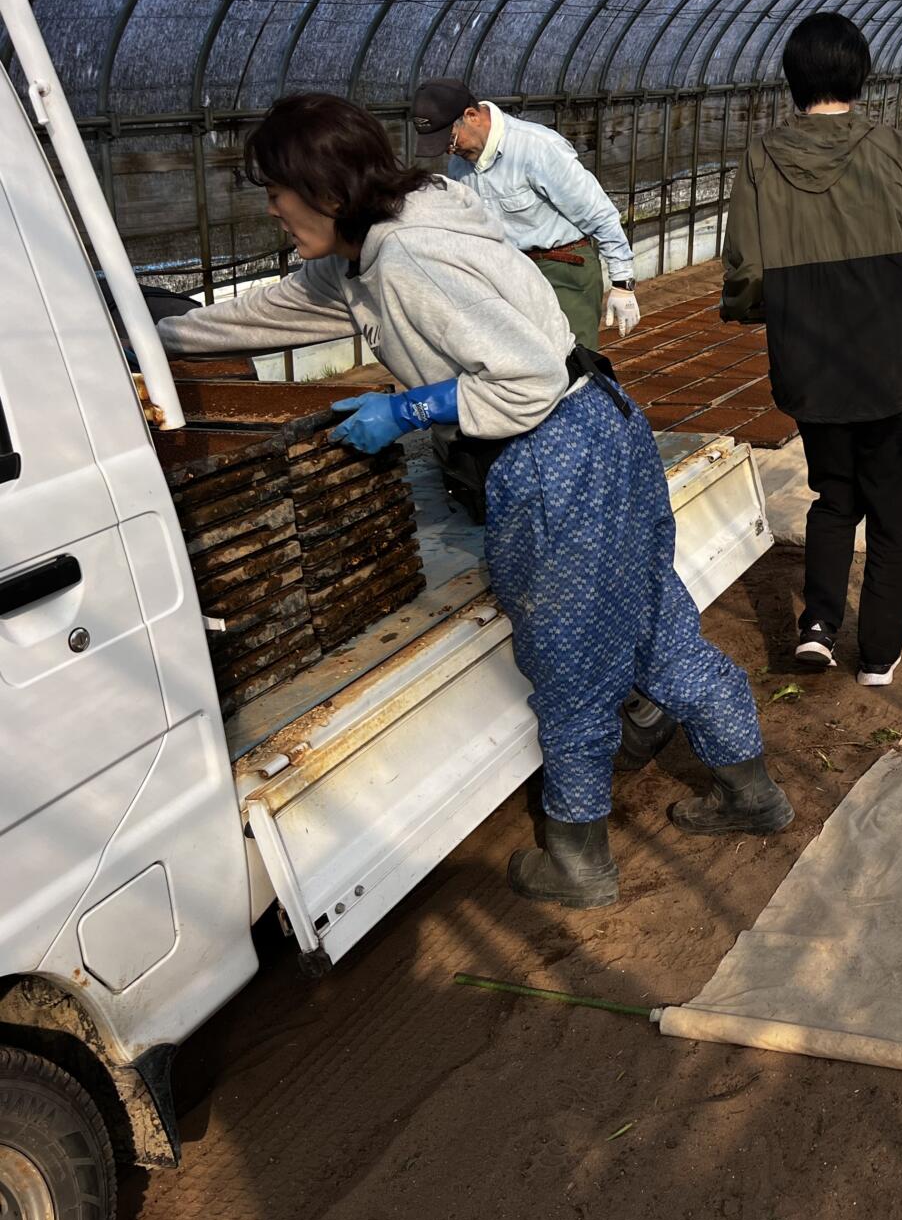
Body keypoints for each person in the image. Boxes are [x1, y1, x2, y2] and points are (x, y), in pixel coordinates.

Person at [156, 93, 792, 910]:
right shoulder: (395, 230)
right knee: (653, 621)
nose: (273, 210)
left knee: (568, 658)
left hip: (555, 454)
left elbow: (524, 377)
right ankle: (752, 791)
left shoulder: (407, 259)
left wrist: (408, 409)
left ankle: (578, 858)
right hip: (603, 430)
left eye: (277, 192)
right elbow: (271, 311)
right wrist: (144, 333)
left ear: (325, 189)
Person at [721, 12, 902, 687]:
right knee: (894, 509)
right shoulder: (888, 146)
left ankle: (818, 625)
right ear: (859, 74)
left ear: (793, 80)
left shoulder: (760, 157)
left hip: (810, 359)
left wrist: (752, 310)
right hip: (890, 359)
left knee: (834, 498)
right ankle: (878, 656)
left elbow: (745, 267)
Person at [410, 78, 641, 351]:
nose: (449, 149)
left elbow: (597, 212)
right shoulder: (460, 165)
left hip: (563, 270)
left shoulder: (535, 147)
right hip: (509, 274)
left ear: (471, 116)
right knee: (520, 369)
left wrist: (622, 282)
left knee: (574, 367)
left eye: (449, 139)